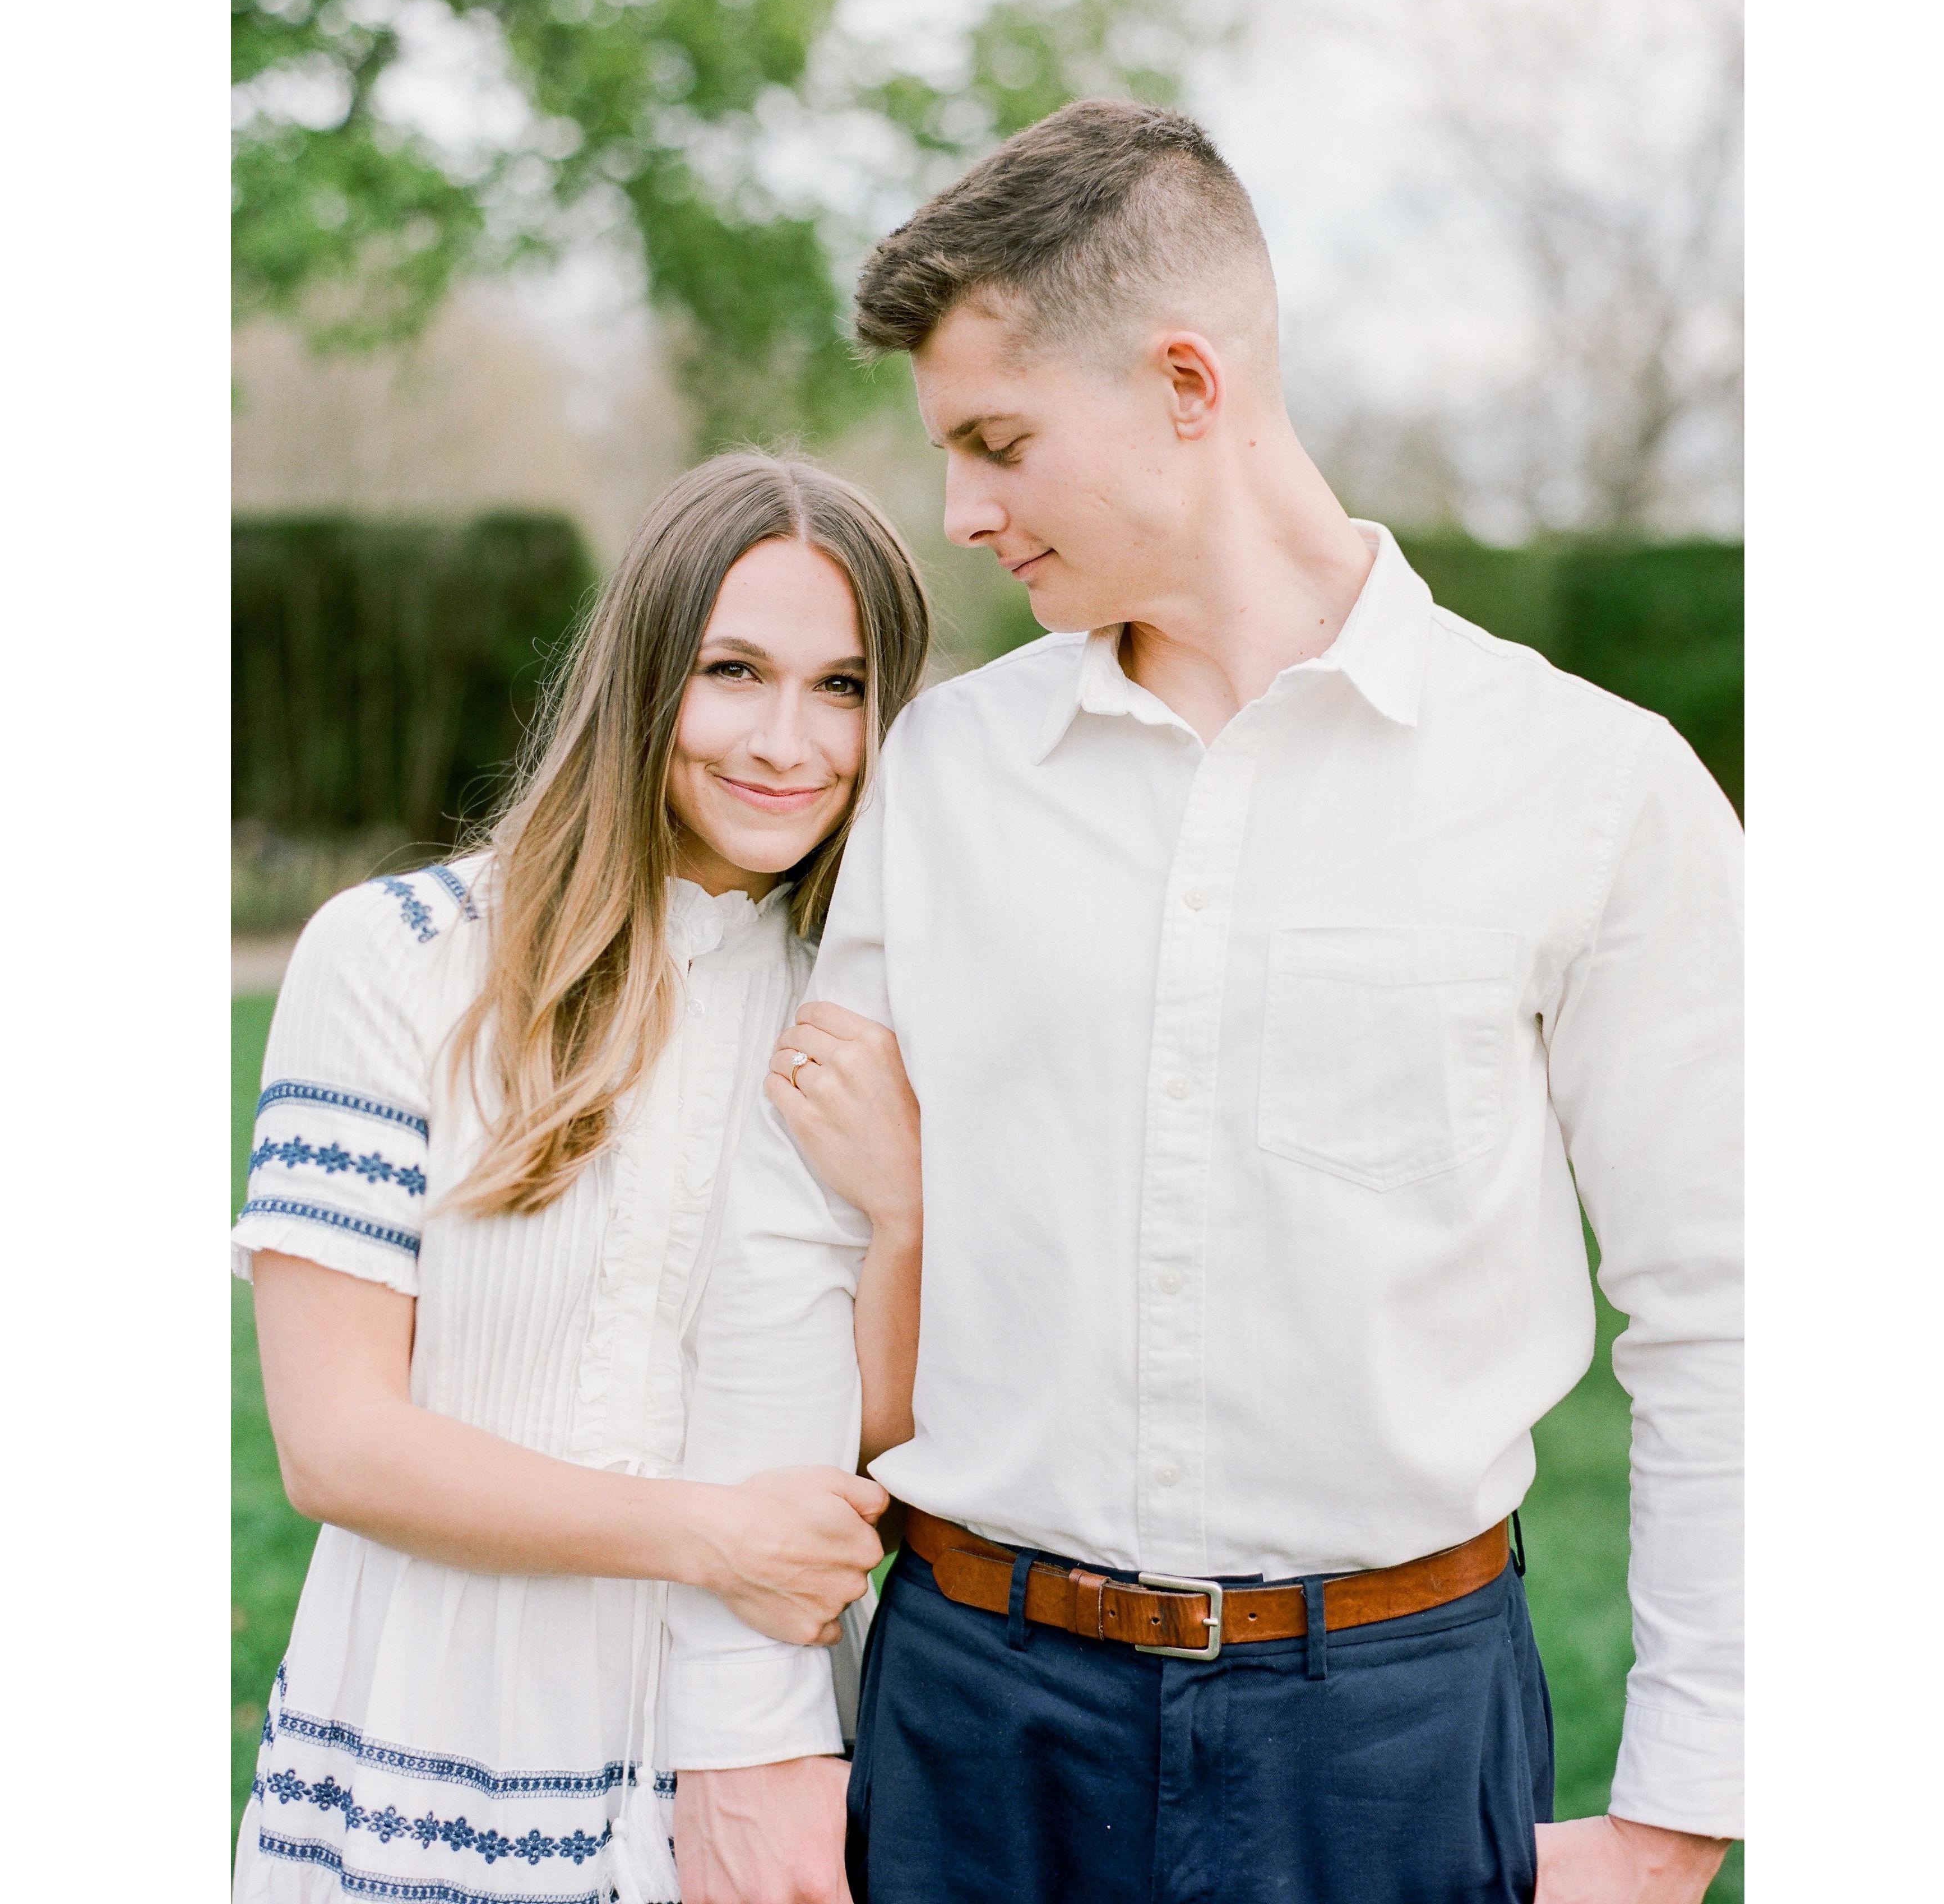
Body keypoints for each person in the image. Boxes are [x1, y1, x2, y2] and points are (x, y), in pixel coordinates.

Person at [665, 103, 1743, 1904]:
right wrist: (750, 1729)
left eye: (999, 443)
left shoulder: (1592, 786)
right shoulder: (948, 773)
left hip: (1392, 1743)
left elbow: (1731, 1309)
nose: (963, 512)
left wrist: (1682, 1808)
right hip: (971, 1715)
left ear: (1187, 384)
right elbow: (790, 1244)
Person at [232, 453, 931, 1904]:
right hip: (434, 1727)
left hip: (747, 1748)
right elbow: (337, 1447)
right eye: (733, 672)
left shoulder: (871, 1014)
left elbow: (868, 1438)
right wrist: (709, 1536)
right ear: (643, 673)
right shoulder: (404, 959)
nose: (789, 741)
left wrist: (905, 1214)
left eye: (843, 687)